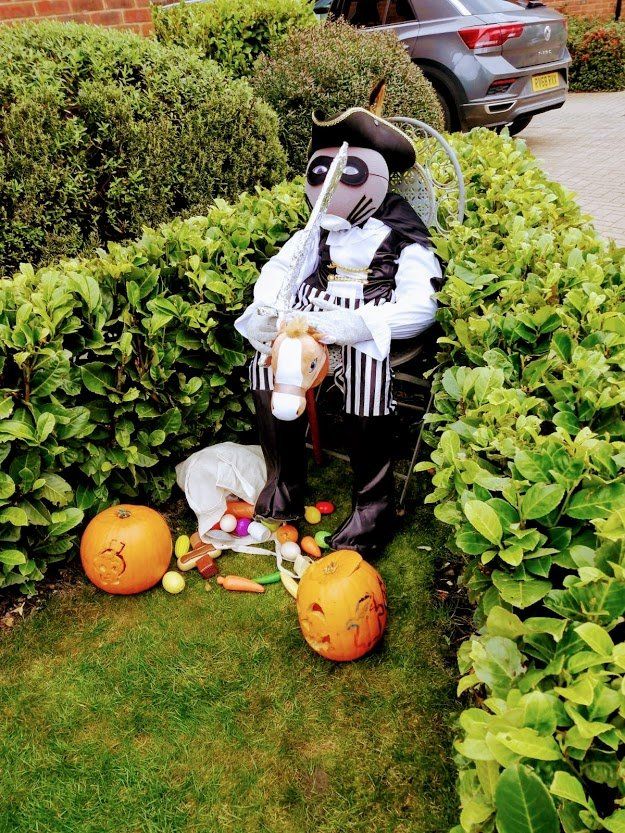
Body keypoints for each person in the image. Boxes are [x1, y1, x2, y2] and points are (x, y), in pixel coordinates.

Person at [235, 93, 442, 560]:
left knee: (368, 374)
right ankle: (285, 481)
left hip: (367, 332)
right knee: (265, 365)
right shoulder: (319, 231)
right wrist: (272, 310)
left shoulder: (403, 236)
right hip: (311, 329)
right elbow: (279, 267)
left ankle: (373, 505)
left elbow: (421, 306)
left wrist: (353, 325)